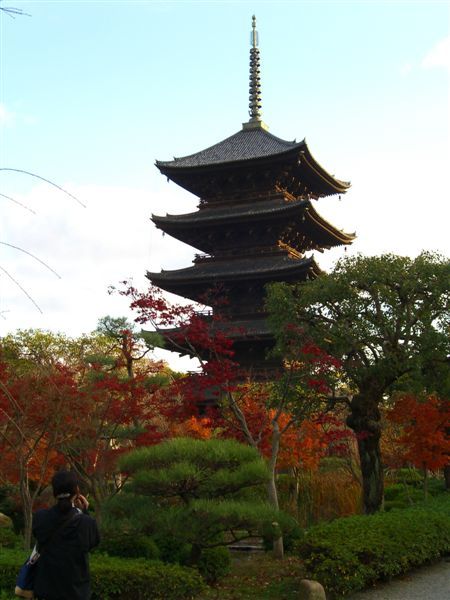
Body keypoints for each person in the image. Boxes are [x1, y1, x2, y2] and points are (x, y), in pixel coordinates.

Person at [32, 470, 100, 600]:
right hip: (76, 592)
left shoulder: (40, 517)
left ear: (54, 492)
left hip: (46, 591)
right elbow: (92, 542)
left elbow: (39, 534)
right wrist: (85, 512)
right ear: (77, 491)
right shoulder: (85, 522)